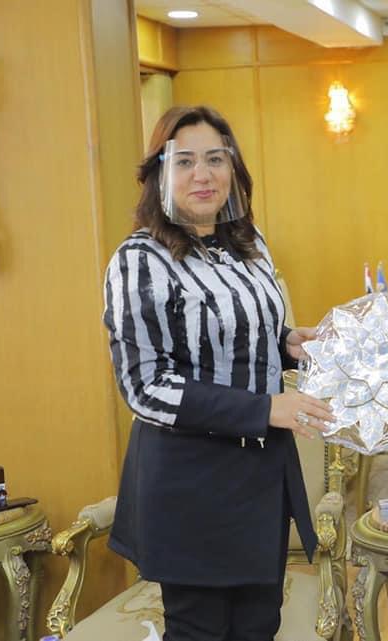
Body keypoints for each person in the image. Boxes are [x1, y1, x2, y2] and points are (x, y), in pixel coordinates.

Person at [103, 105, 335, 641]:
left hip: (260, 477)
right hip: (192, 484)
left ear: (233, 169)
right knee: (201, 630)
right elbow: (145, 387)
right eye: (184, 161)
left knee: (260, 625)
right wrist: (264, 408)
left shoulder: (248, 244)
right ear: (159, 173)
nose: (202, 175)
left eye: (215, 159)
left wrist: (287, 344)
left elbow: (232, 335)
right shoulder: (140, 260)